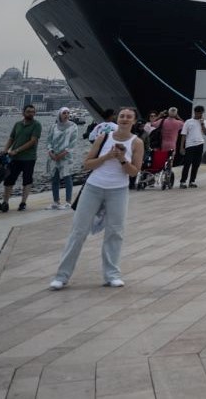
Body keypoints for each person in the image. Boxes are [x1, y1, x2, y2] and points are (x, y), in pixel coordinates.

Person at [50, 107, 143, 290]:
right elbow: (87, 164)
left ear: (134, 121)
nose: (124, 119)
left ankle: (112, 274)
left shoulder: (136, 142)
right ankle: (62, 276)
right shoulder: (104, 138)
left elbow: (134, 172)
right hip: (94, 187)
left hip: (118, 190)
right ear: (117, 118)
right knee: (78, 231)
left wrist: (122, 159)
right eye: (122, 116)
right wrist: (108, 156)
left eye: (128, 117)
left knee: (115, 232)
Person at [0, 104, 42, 212]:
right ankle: (5, 202)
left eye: (32, 112)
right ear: (23, 113)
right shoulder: (17, 124)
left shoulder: (37, 125)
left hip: (29, 157)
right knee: (9, 179)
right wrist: (5, 149)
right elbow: (11, 138)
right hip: (14, 158)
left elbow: (32, 141)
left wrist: (17, 150)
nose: (31, 113)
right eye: (28, 111)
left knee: (27, 180)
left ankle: (23, 202)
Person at [45, 108, 77, 210]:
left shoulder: (73, 126)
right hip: (53, 157)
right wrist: (50, 152)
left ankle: (68, 202)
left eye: (68, 113)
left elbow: (73, 143)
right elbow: (48, 140)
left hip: (66, 157)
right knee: (55, 179)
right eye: (64, 113)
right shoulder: (53, 127)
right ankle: (56, 201)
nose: (66, 115)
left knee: (67, 178)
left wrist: (62, 154)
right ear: (59, 114)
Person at [177, 105, 206, 188]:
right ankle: (183, 181)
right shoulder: (188, 122)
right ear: (195, 112)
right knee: (187, 163)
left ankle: (192, 181)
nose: (200, 115)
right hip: (190, 145)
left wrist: (202, 124)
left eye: (201, 113)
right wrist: (181, 147)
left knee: (196, 164)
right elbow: (183, 134)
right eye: (199, 113)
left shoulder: (204, 121)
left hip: (200, 144)